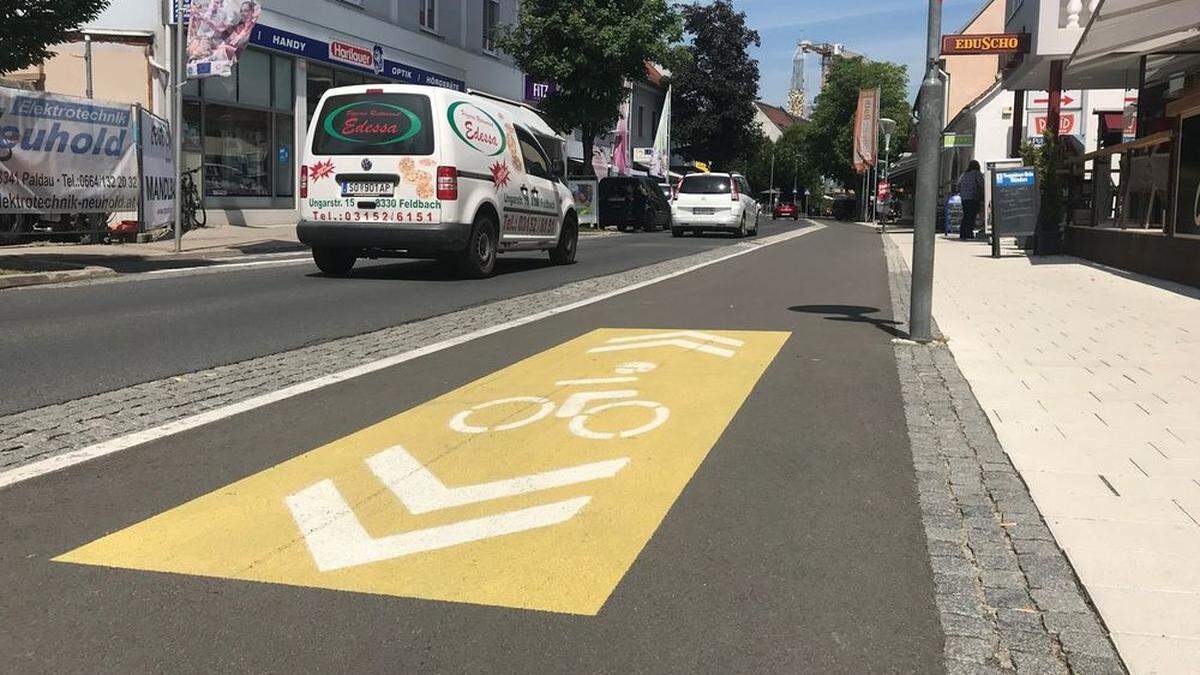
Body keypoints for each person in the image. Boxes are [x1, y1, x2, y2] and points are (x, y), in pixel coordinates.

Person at [958, 160, 986, 240]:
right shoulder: (977, 174)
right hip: (973, 197)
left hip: (964, 198)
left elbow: (958, 184)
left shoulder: (964, 174)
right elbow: (982, 184)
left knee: (966, 215)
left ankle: (963, 233)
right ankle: (969, 233)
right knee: (971, 216)